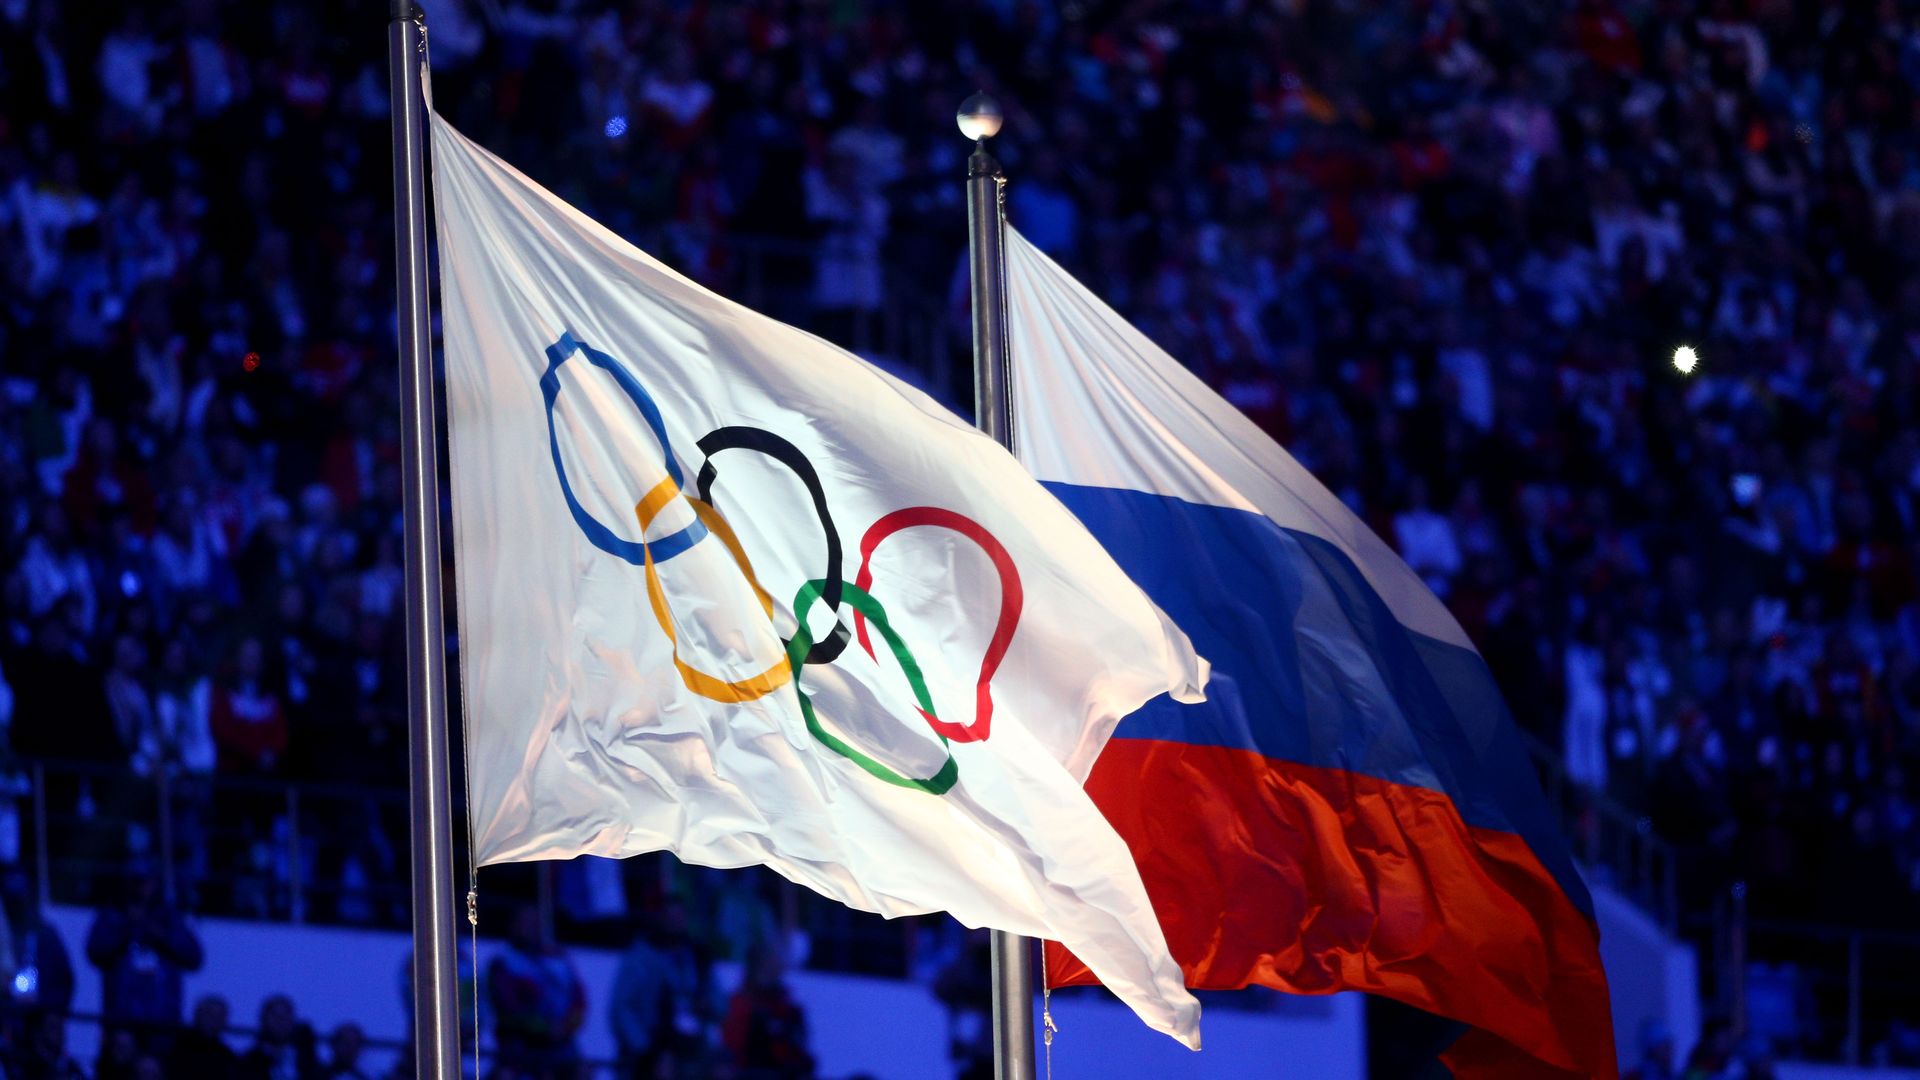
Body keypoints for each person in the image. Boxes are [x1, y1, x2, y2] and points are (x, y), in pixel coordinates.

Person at [85, 871, 204, 1043]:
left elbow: (194, 958)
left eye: (148, 881)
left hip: (162, 1022)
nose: (143, 888)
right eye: (137, 881)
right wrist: (126, 930)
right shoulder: (111, 916)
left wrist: (162, 935)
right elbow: (95, 952)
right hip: (121, 1020)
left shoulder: (170, 918)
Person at [609, 901, 714, 1078]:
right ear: (661, 920)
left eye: (680, 918)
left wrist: (707, 1006)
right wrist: (644, 1047)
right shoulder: (641, 956)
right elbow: (622, 1006)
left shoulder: (697, 954)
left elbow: (718, 1000)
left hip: (689, 1048)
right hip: (651, 1048)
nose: (675, 923)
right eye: (670, 917)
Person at [486, 905, 586, 1079]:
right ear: (514, 926)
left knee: (583, 1071)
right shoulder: (504, 961)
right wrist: (544, 1027)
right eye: (526, 923)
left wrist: (567, 1026)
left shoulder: (559, 960)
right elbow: (507, 1007)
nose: (532, 928)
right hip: (521, 1041)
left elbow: (579, 1000)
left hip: (561, 1041)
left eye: (536, 923)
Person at [722, 943, 814, 1080]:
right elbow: (733, 1047)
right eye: (767, 966)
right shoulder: (741, 1003)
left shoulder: (787, 1006)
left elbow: (798, 1048)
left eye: (774, 966)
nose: (773, 970)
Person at [237, 993, 322, 1080]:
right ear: (264, 1020)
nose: (280, 1021)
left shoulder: (309, 1063)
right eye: (275, 1016)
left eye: (286, 1017)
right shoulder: (249, 1063)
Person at [166, 994, 240, 1079]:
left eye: (219, 1017)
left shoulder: (227, 1056)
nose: (214, 1021)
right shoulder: (177, 1050)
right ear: (198, 1016)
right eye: (210, 1015)